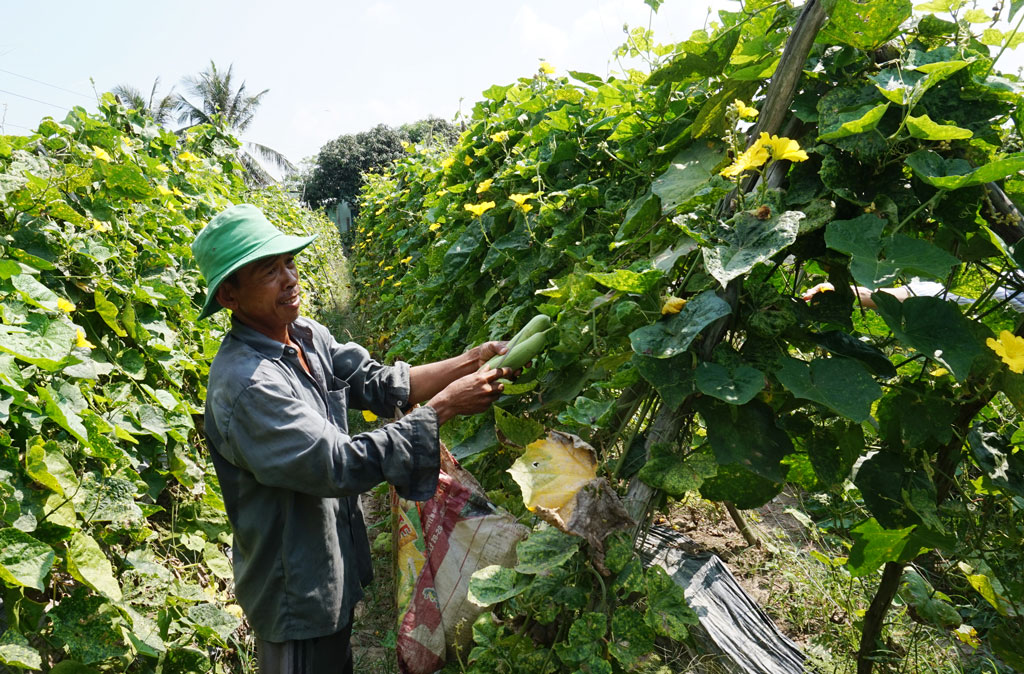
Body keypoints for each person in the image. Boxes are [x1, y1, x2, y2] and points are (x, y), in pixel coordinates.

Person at [190, 204, 514, 674]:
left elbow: (379, 383)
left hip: (331, 564)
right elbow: (338, 463)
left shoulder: (302, 336)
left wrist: (472, 361)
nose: (288, 277)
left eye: (289, 263)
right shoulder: (247, 385)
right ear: (229, 296)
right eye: (268, 270)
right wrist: (444, 407)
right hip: (295, 589)